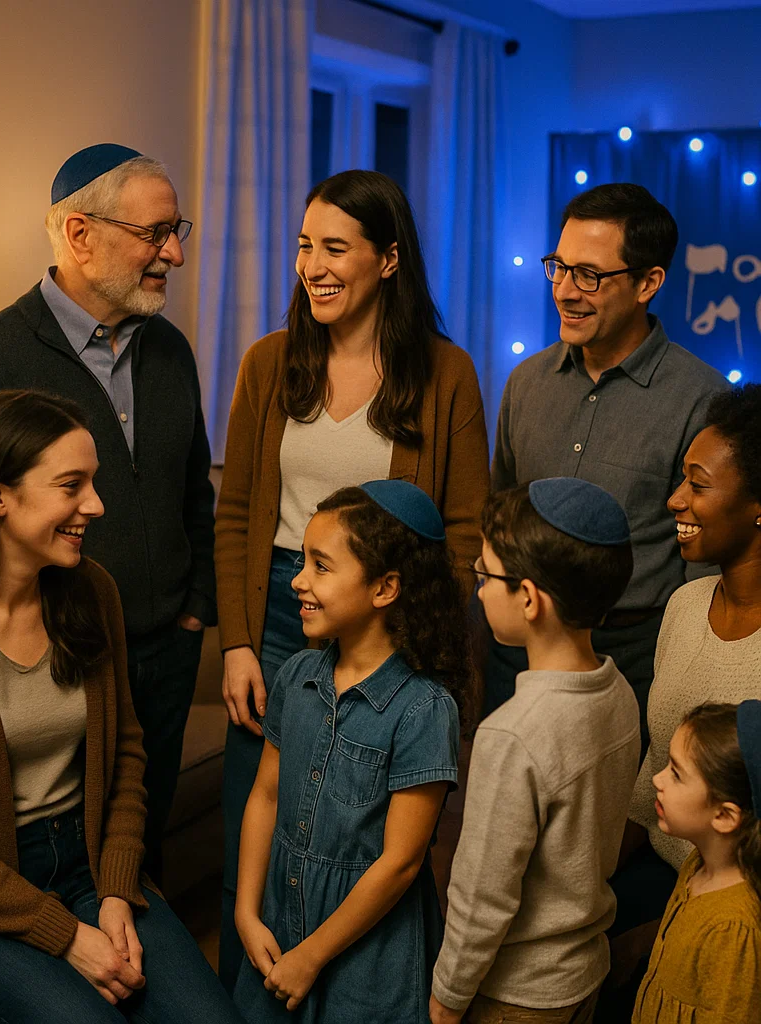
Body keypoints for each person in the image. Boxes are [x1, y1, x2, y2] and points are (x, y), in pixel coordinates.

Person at [0, 390, 241, 1024]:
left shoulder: (92, 592)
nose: (95, 505)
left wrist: (117, 890)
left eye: (92, 483)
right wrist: (67, 937)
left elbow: (126, 755)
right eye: (72, 486)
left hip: (89, 865)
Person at [215, 168, 489, 989]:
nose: (314, 266)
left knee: (360, 837)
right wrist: (238, 643)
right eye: (305, 246)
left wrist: (408, 638)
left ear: (389, 259)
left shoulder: (445, 374)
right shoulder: (268, 364)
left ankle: (345, 991)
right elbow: (236, 515)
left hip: (385, 626)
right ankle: (245, 996)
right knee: (254, 829)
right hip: (277, 610)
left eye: (336, 248)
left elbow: (464, 530)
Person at [0, 145, 215, 885]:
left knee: (140, 851)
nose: (175, 254)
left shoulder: (170, 351)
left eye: (176, 230)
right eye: (155, 233)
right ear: (81, 235)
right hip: (60, 659)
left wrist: (196, 607)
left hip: (166, 649)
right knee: (60, 859)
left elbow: (194, 491)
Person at [488, 183, 727, 750]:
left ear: (648, 283)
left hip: (634, 654)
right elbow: (500, 511)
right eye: (559, 267)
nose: (565, 291)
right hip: (521, 648)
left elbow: (704, 566)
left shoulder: (702, 399)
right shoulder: (526, 383)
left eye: (589, 275)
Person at [233, 481, 467, 1023]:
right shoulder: (296, 677)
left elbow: (400, 862)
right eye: (302, 561)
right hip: (278, 926)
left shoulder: (424, 710)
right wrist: (246, 912)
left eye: (321, 566)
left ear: (385, 588)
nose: (298, 580)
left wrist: (312, 956)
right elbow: (265, 797)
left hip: (368, 961)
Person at [430, 478, 640, 1024]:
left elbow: (482, 895)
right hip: (583, 974)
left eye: (486, 575)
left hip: (516, 994)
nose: (479, 590)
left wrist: (447, 998)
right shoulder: (619, 691)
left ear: (529, 598)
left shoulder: (512, 735)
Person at [613, 384, 761, 939]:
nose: (675, 500)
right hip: (660, 874)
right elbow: (655, 761)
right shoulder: (685, 605)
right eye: (682, 481)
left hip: (736, 910)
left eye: (698, 486)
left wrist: (658, 937)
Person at [632, 702, 761, 1023]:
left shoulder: (733, 929)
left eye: (676, 774)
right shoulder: (697, 863)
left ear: (724, 816)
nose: (657, 779)